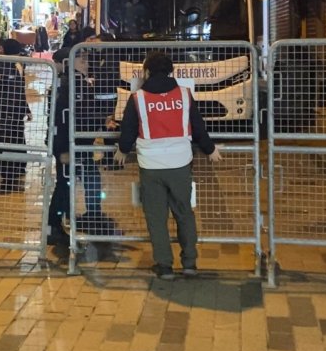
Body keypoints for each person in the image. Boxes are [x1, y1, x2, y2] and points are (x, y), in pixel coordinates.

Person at [114, 51, 221, 280]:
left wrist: (122, 150)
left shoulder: (138, 98)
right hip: (180, 163)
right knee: (184, 213)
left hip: (150, 165)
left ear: (147, 72)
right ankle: (190, 263)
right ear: (172, 71)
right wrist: (210, 149)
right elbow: (198, 126)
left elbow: (128, 130)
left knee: (156, 218)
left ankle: (164, 266)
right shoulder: (184, 94)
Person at [47, 49, 110, 247]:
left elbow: (83, 114)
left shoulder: (72, 82)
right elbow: (66, 118)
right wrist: (63, 149)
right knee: (67, 184)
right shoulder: (71, 84)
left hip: (76, 144)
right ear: (69, 61)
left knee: (82, 180)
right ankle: (55, 224)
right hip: (72, 145)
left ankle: (81, 217)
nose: (86, 62)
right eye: (81, 59)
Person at [0, 39, 29, 192]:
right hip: (3, 114)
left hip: (16, 114)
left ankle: (13, 175)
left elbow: (20, 90)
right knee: (1, 146)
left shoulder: (16, 65)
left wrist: (26, 108)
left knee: (16, 143)